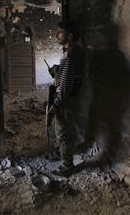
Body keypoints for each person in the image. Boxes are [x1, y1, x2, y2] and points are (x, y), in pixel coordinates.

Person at [46, 21, 84, 174]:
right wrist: (57, 71)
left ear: (70, 36)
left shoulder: (69, 56)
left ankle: (67, 166)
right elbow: (69, 76)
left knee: (63, 132)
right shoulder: (77, 51)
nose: (56, 35)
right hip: (73, 98)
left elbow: (65, 87)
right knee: (61, 128)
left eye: (60, 32)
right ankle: (59, 152)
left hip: (66, 101)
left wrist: (54, 106)